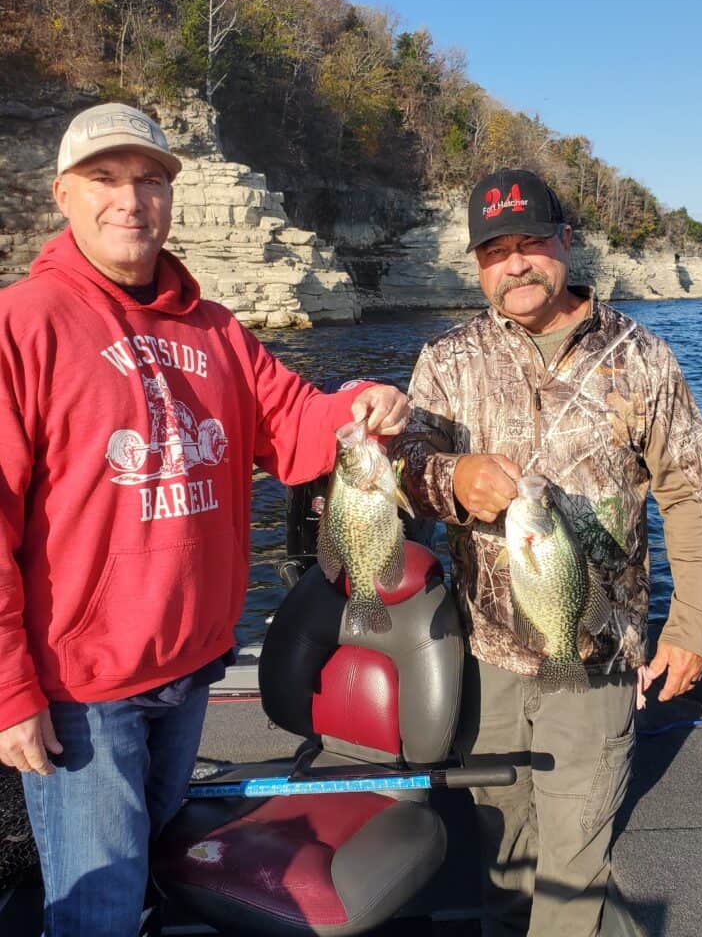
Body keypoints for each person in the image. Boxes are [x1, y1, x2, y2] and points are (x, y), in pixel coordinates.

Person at [0, 103, 408, 937]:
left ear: (172, 197)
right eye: (104, 180)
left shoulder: (217, 329)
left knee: (149, 879)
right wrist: (11, 691)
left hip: (191, 669)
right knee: (96, 914)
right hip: (85, 690)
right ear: (63, 197)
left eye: (150, 179)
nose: (131, 199)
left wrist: (356, 405)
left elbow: (293, 424)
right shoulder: (22, 322)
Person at [390, 168, 702, 937]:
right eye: (495, 250)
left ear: (565, 243)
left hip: (597, 653)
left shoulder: (643, 358)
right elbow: (401, 471)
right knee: (504, 856)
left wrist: (692, 624)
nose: (516, 265)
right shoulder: (446, 360)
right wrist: (451, 476)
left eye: (531, 243)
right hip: (485, 657)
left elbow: (691, 496)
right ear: (477, 264)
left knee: (574, 871)